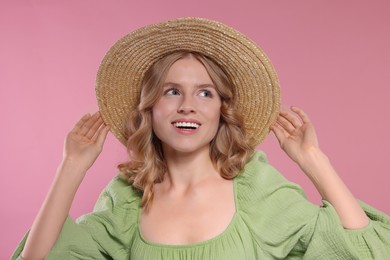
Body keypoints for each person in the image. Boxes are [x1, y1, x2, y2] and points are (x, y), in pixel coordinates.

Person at [13, 18, 390, 260]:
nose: (188, 106)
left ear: (221, 110)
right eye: (171, 91)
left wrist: (314, 161)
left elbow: (367, 252)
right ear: (150, 108)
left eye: (206, 93)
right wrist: (71, 167)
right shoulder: (127, 198)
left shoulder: (255, 188)